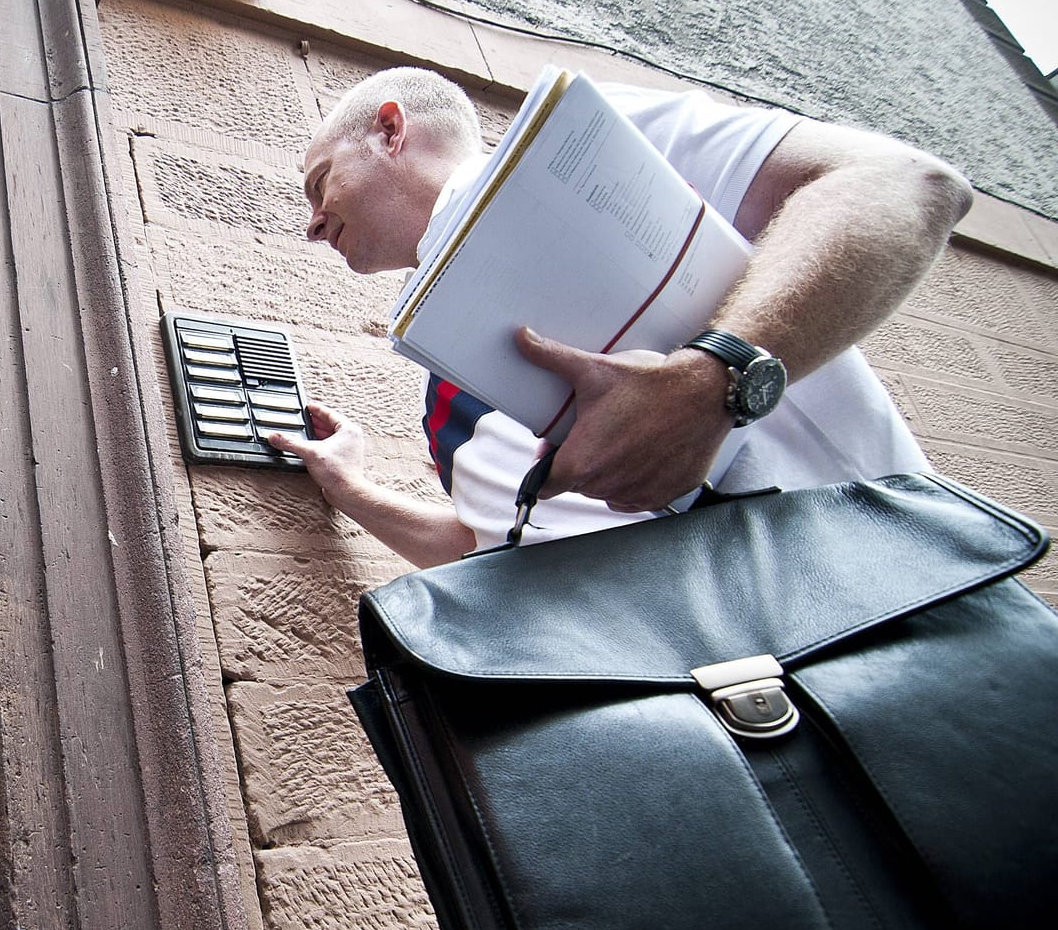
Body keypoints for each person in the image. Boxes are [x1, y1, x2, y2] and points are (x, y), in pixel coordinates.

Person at [270, 67, 973, 566]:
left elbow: (909, 183)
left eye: (320, 183)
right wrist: (351, 489)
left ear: (390, 130)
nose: (311, 224)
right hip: (717, 730)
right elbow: (481, 550)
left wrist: (707, 386)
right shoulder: (443, 390)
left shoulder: (601, 145)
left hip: (896, 605)